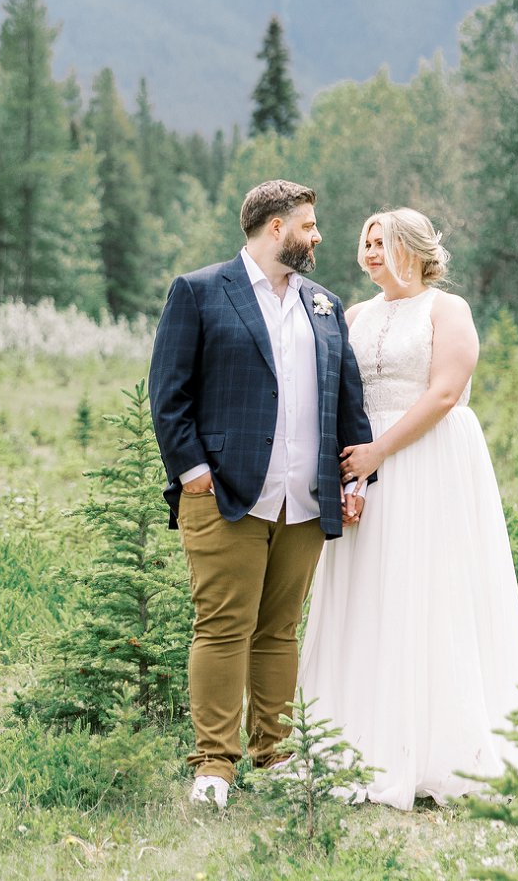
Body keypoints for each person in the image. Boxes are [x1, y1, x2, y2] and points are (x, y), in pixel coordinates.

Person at [148, 179, 373, 811]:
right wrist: (192, 471)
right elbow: (168, 392)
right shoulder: (199, 291)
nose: (318, 234)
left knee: (279, 631)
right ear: (276, 227)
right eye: (310, 223)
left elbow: (346, 397)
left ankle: (271, 754)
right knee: (223, 626)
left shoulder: (324, 303)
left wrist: (354, 476)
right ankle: (213, 766)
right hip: (226, 494)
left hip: (304, 497)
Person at [298, 207, 518, 810]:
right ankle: (355, 739)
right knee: (369, 591)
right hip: (364, 463)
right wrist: (348, 473)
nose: (370, 252)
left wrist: (380, 451)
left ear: (415, 248)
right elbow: (340, 394)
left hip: (428, 458)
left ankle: (441, 747)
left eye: (383, 242)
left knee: (429, 589)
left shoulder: (447, 310)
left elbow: (446, 393)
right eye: (366, 242)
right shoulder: (353, 315)